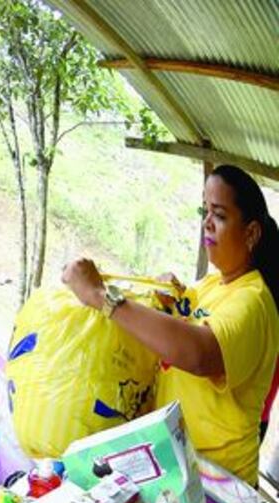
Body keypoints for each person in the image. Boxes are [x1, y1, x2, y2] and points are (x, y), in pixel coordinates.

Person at [62, 164, 279, 485]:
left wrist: (101, 297)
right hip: (179, 466)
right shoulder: (212, 285)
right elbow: (180, 319)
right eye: (204, 211)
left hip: (217, 482)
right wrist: (167, 298)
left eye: (219, 215)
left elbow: (198, 353)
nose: (207, 223)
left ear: (250, 233)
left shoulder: (253, 301)